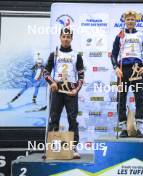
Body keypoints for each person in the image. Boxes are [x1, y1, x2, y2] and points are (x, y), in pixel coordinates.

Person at [43, 27, 84, 159]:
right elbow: (46, 72)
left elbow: (81, 76)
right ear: (60, 37)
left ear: (71, 38)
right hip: (57, 89)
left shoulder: (76, 55)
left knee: (72, 119)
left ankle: (73, 148)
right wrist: (52, 83)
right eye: (64, 37)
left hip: (71, 90)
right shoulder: (54, 54)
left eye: (68, 37)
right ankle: (51, 149)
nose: (66, 39)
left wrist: (76, 90)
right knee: (54, 119)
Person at [111, 11, 143, 138]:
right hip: (123, 70)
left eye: (132, 19)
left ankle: (138, 128)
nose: (130, 21)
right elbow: (113, 54)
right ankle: (123, 128)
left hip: (137, 70)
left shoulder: (141, 35)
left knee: (139, 97)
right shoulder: (120, 35)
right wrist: (115, 67)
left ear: (135, 21)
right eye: (128, 19)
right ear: (124, 21)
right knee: (121, 98)